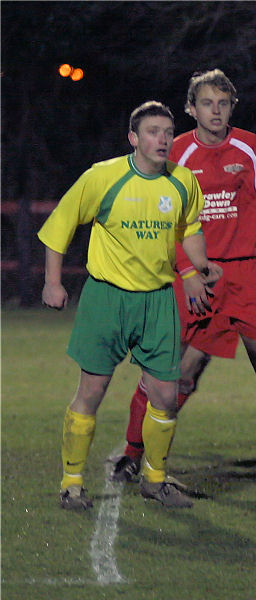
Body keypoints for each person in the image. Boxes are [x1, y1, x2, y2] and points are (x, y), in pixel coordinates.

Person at [110, 69, 256, 489]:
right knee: (173, 371)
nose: (216, 111)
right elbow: (165, 220)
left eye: (224, 103)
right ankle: (131, 454)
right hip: (196, 275)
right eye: (207, 103)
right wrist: (187, 270)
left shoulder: (251, 147)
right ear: (190, 108)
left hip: (248, 275)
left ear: (233, 106)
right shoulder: (175, 153)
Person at [39, 101, 222, 510]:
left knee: (166, 395)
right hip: (107, 298)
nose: (163, 139)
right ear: (134, 138)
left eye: (167, 132)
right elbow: (60, 226)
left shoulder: (182, 181)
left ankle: (154, 480)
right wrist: (52, 282)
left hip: (157, 301)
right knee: (93, 390)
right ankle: (71, 483)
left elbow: (189, 228)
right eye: (153, 131)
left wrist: (202, 265)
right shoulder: (103, 177)